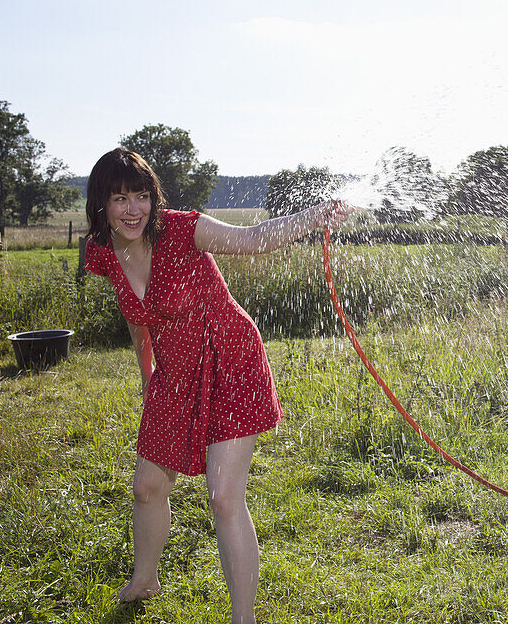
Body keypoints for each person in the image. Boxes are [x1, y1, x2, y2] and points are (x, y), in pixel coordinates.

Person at [83, 148, 351, 624]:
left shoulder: (183, 229)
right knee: (147, 486)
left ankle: (243, 619)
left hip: (230, 362)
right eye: (119, 198)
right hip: (174, 372)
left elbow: (254, 240)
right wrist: (148, 377)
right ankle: (146, 579)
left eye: (141, 196)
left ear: (153, 198)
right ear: (100, 204)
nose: (132, 209)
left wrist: (316, 214)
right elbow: (135, 318)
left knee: (224, 496)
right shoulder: (103, 251)